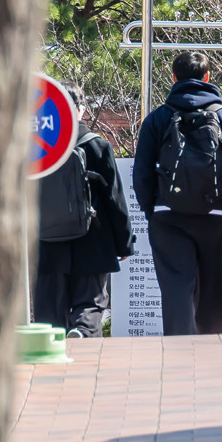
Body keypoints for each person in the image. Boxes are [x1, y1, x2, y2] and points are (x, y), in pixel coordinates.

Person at [134, 51, 222, 337]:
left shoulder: (158, 118)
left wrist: (152, 210)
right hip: (216, 214)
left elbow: (141, 172)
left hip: (168, 216)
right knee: (213, 280)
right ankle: (213, 340)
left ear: (174, 78)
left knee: (176, 283)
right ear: (207, 77)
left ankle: (179, 345)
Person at [34, 91, 133, 337]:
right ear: (80, 109)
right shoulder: (96, 145)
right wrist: (124, 245)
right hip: (93, 241)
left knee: (49, 313)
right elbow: (115, 200)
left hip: (46, 243)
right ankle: (83, 332)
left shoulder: (34, 148)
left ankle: (53, 353)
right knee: (90, 303)